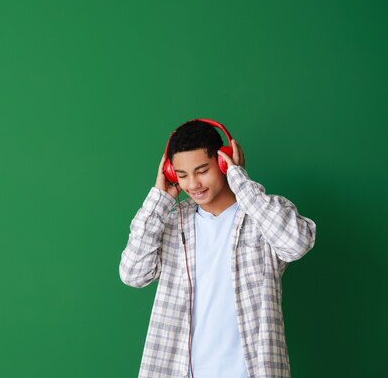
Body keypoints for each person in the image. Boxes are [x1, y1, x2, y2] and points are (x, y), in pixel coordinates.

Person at [119, 119, 316, 378]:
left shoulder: (262, 215)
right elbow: (133, 274)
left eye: (202, 171)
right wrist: (160, 199)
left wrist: (241, 182)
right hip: (179, 370)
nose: (193, 184)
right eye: (182, 175)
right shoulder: (171, 222)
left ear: (224, 162)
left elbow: (297, 243)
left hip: (252, 370)